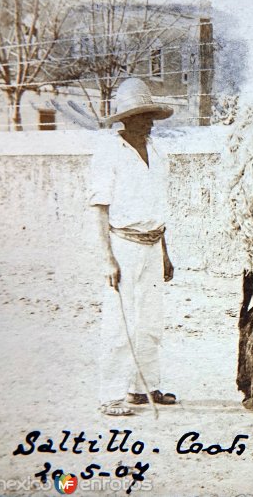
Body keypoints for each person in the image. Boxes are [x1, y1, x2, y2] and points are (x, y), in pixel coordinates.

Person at [90, 78, 178, 416]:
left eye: (151, 115)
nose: (150, 122)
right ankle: (110, 394)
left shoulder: (157, 152)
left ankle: (143, 388)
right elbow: (99, 207)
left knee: (151, 321)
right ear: (126, 119)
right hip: (123, 245)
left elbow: (159, 208)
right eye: (142, 116)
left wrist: (165, 253)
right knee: (119, 322)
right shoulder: (109, 153)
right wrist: (107, 259)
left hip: (153, 244)